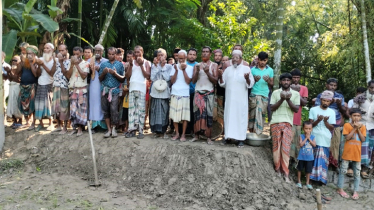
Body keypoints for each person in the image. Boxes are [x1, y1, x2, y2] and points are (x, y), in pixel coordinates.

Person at [218, 50, 254, 147]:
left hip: (240, 101)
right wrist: (220, 76)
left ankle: (240, 139)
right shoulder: (228, 70)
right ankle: (228, 137)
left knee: (240, 118)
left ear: (241, 59)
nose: (234, 60)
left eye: (236, 58)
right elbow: (222, 84)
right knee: (229, 117)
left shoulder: (246, 69)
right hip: (230, 100)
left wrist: (247, 78)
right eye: (233, 58)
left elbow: (250, 84)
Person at [270, 73, 300, 182]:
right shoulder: (275, 92)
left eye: (288, 80)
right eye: (284, 80)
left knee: (285, 148)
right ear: (280, 82)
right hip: (275, 122)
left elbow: (296, 109)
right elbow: (272, 108)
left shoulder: (295, 94)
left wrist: (287, 99)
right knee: (276, 147)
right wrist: (282, 99)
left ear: (290, 82)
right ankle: (277, 170)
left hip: (288, 123)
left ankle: (286, 173)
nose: (286, 82)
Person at [314, 78, 346, 168]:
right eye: (331, 85)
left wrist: (339, 104)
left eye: (335, 85)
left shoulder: (339, 96)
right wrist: (328, 102)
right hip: (322, 123)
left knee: (335, 144)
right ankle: (322, 163)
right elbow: (317, 107)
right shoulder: (321, 95)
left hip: (335, 122)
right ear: (326, 85)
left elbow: (344, 110)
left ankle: (333, 164)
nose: (333, 87)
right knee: (323, 143)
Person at [337, 108, 366, 200]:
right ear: (350, 116)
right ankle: (340, 189)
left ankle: (355, 191)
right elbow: (348, 138)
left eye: (358, 116)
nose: (356, 117)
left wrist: (359, 130)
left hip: (357, 154)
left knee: (357, 173)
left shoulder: (363, 127)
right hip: (347, 153)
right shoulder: (347, 125)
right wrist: (354, 128)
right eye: (354, 115)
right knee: (343, 171)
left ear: (360, 117)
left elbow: (363, 139)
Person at [191, 46, 218, 144]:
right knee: (197, 115)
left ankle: (208, 137)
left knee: (208, 115)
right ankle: (196, 135)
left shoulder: (214, 65)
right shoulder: (197, 65)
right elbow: (193, 81)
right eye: (203, 52)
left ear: (210, 54)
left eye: (207, 52)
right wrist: (198, 71)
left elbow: (215, 81)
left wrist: (207, 73)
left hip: (209, 93)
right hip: (198, 93)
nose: (205, 53)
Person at [309, 90, 336, 185]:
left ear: (331, 101)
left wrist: (325, 122)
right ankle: (311, 179)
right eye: (324, 100)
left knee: (323, 159)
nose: (326, 103)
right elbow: (310, 125)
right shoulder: (313, 110)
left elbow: (332, 127)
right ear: (320, 100)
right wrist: (318, 120)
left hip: (325, 139)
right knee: (313, 158)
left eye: (328, 101)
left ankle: (321, 179)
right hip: (314, 138)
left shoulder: (332, 112)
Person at [99, 47, 125, 138]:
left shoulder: (120, 65)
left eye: (113, 54)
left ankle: (114, 128)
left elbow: (123, 79)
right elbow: (100, 79)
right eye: (109, 54)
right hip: (104, 90)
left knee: (114, 109)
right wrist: (104, 73)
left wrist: (115, 74)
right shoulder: (103, 65)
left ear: (116, 54)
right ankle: (109, 129)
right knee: (105, 110)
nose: (111, 56)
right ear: (107, 54)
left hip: (115, 90)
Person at [125, 45, 151, 139]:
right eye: (135, 52)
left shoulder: (147, 62)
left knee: (141, 110)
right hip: (132, 88)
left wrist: (141, 65)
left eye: (138, 51)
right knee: (131, 110)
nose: (136, 54)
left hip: (141, 89)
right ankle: (132, 130)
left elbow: (147, 76)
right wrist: (131, 65)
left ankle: (140, 130)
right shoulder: (130, 63)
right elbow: (127, 76)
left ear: (142, 52)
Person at [169, 50, 194, 142]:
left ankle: (183, 134)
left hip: (185, 94)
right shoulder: (174, 66)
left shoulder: (190, 68)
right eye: (179, 58)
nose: (180, 60)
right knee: (174, 115)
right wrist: (176, 70)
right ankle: (177, 133)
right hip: (175, 93)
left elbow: (188, 81)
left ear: (186, 58)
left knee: (185, 116)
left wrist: (183, 70)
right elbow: (172, 81)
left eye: (182, 59)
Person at [352, 80, 374, 179]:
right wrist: (361, 112)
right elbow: (353, 110)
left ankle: (365, 168)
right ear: (368, 87)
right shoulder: (360, 98)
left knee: (370, 148)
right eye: (371, 88)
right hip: (361, 124)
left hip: (372, 126)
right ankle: (354, 167)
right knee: (359, 145)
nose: (373, 90)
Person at [66, 47, 90, 136]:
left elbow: (84, 76)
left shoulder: (86, 64)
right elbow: (68, 76)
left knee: (81, 110)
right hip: (73, 89)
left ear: (81, 54)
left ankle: (80, 128)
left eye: (77, 54)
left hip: (81, 90)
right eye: (74, 54)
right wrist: (72, 65)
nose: (76, 56)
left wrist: (76, 65)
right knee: (73, 110)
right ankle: (74, 128)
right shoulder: (70, 63)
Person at [249, 52, 274, 134]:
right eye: (261, 60)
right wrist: (254, 80)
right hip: (254, 94)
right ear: (258, 60)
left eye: (264, 60)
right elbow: (249, 84)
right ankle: (252, 133)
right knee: (252, 114)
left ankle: (258, 133)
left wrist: (268, 81)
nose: (262, 62)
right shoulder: (252, 70)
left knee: (261, 114)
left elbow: (272, 84)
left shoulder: (270, 70)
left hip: (264, 95)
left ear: (267, 60)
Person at [34, 43, 56, 132]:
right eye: (45, 48)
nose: (46, 50)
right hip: (41, 83)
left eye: (48, 48)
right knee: (39, 103)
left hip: (50, 84)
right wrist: (39, 65)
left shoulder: (55, 60)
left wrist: (42, 65)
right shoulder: (40, 59)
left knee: (49, 103)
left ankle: (50, 123)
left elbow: (51, 73)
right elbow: (37, 74)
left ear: (52, 50)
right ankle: (40, 123)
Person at [150, 48, 172, 137]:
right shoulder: (154, 65)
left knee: (164, 111)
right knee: (154, 111)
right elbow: (152, 78)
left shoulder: (169, 66)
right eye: (158, 55)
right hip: (155, 92)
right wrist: (156, 67)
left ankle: (163, 131)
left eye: (162, 55)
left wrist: (162, 67)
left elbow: (167, 79)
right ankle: (156, 131)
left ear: (165, 56)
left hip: (164, 93)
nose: (160, 57)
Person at [17, 45, 39, 129]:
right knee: (22, 103)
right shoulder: (24, 61)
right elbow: (17, 72)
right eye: (27, 53)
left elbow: (35, 74)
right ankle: (27, 122)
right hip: (23, 85)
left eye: (30, 53)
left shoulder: (37, 61)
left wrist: (31, 62)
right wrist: (20, 63)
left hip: (32, 85)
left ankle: (33, 123)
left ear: (35, 54)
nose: (28, 55)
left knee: (32, 105)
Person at [289, 69, 308, 162]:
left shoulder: (303, 88)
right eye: (294, 77)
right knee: (288, 140)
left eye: (298, 78)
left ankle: (293, 161)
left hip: (297, 119)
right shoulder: (287, 86)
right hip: (288, 118)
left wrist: (296, 92)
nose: (296, 79)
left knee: (296, 141)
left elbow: (304, 103)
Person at [89, 44, 108, 132]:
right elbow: (86, 73)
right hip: (93, 85)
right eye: (96, 50)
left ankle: (103, 126)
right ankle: (94, 126)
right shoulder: (90, 60)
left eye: (99, 51)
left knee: (102, 104)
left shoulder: (106, 61)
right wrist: (91, 68)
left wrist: (100, 69)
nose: (97, 52)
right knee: (93, 104)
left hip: (103, 85)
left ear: (102, 52)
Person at [52, 44, 70, 134]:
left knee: (64, 106)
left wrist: (61, 62)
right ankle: (59, 125)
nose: (61, 52)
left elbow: (67, 75)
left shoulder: (70, 62)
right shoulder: (56, 61)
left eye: (63, 50)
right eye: (59, 50)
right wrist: (56, 61)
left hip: (64, 86)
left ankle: (65, 127)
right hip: (56, 85)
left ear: (66, 51)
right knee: (56, 107)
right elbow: (51, 72)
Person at [296, 121, 316, 189]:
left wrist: (309, 138)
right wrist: (306, 138)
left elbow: (314, 145)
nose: (308, 130)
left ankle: (307, 182)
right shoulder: (301, 136)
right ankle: (299, 181)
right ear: (303, 129)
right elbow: (301, 144)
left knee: (308, 171)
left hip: (310, 157)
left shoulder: (313, 137)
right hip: (301, 157)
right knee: (299, 169)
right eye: (306, 128)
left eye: (309, 129)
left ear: (311, 129)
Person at [4, 56, 23, 128]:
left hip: (17, 87)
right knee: (12, 104)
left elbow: (17, 79)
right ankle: (15, 121)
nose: (13, 62)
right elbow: (10, 79)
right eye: (12, 60)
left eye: (15, 60)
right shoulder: (12, 68)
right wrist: (7, 73)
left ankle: (20, 121)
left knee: (18, 103)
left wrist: (9, 72)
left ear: (19, 61)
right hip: (11, 87)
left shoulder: (20, 68)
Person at [186, 48, 199, 135]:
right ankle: (185, 130)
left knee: (194, 112)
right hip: (184, 91)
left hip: (195, 92)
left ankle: (194, 130)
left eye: (194, 54)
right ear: (187, 55)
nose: (192, 56)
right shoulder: (183, 64)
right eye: (190, 54)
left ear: (196, 56)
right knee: (186, 111)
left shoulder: (198, 65)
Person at [214, 49, 226, 129]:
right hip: (213, 92)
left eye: (219, 56)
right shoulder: (212, 65)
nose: (217, 57)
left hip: (222, 92)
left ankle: (222, 130)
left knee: (222, 112)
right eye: (216, 55)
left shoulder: (224, 67)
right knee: (214, 112)